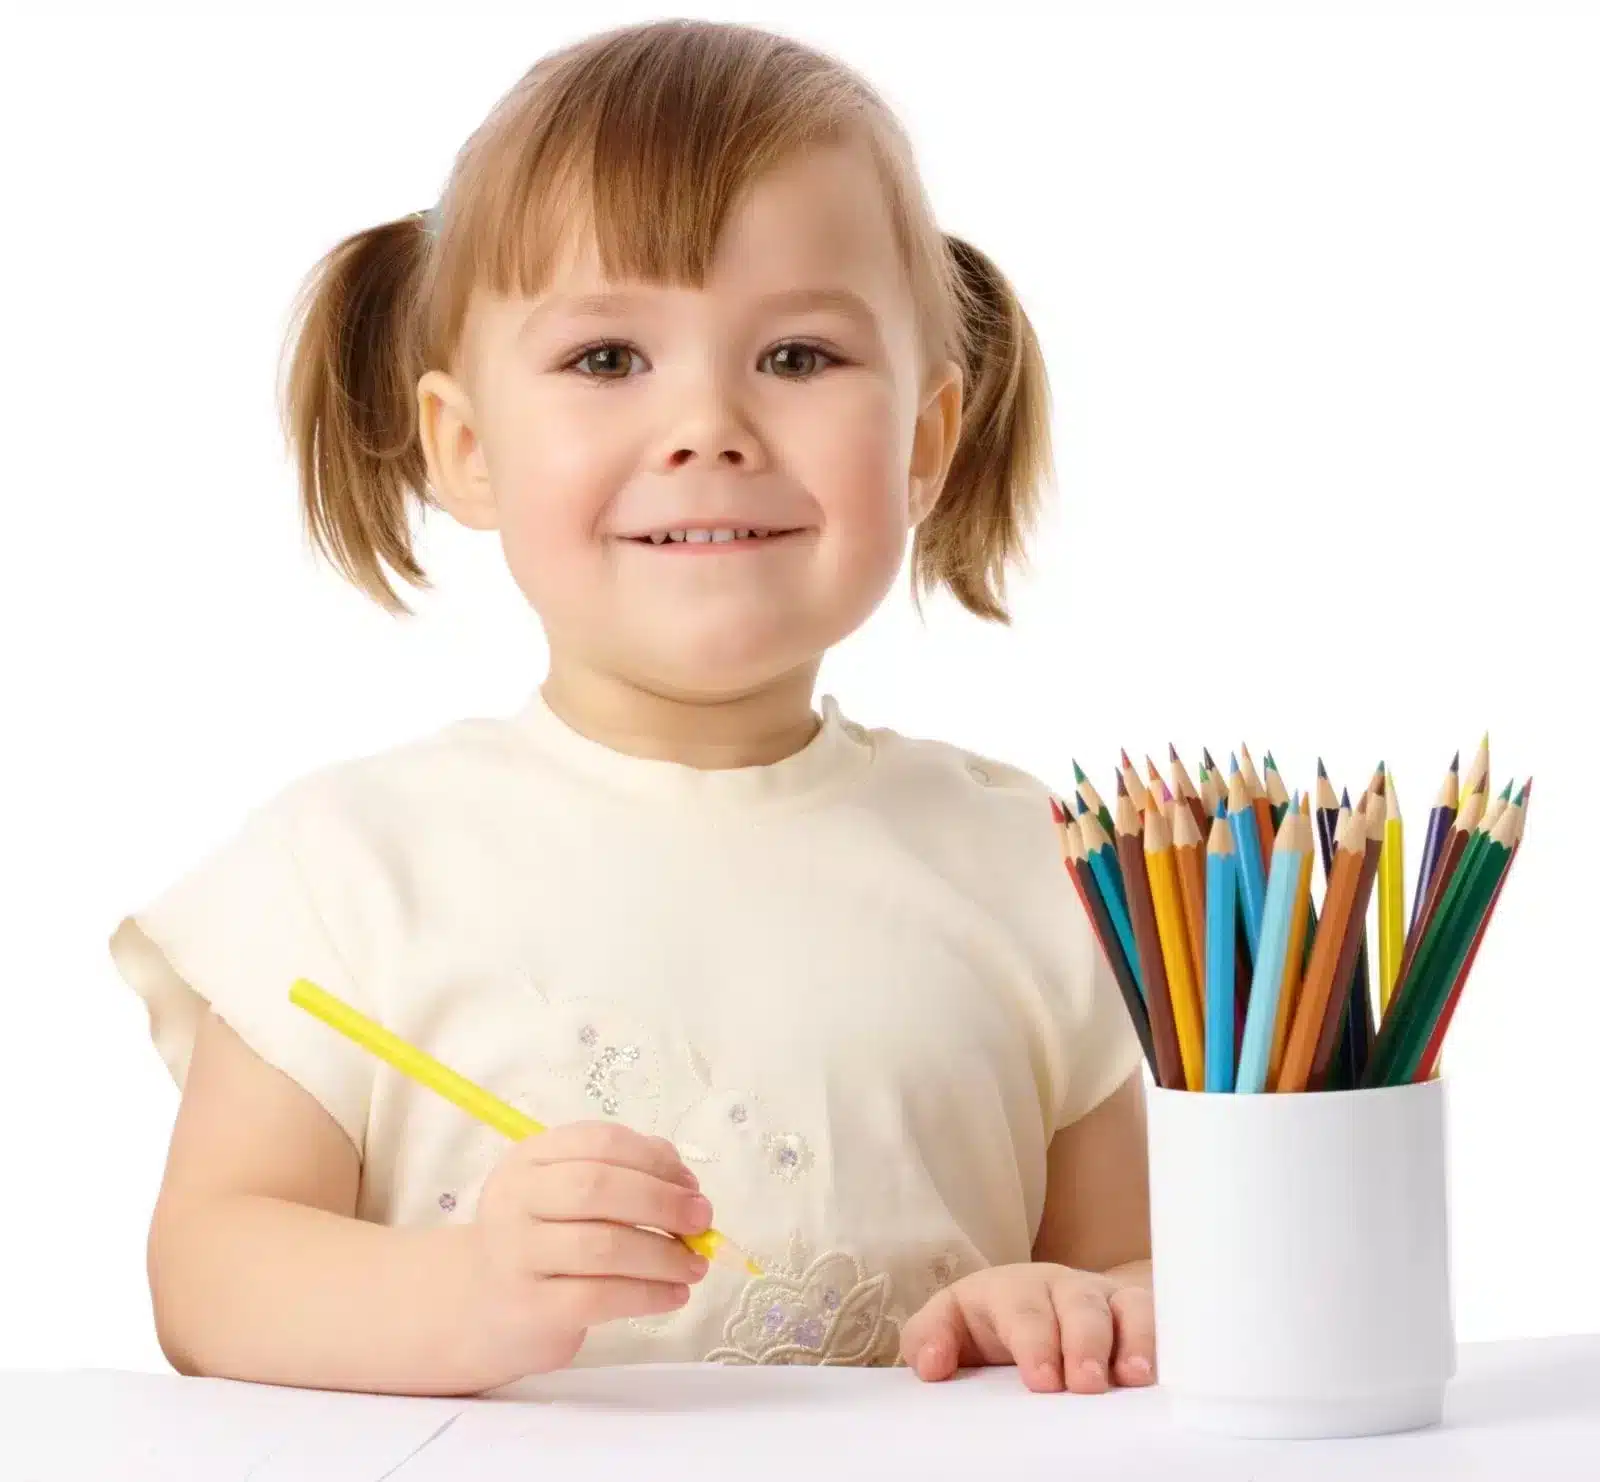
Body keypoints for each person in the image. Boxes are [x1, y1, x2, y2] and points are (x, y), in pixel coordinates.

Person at [110, 17, 1154, 1399]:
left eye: (797, 357)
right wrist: (464, 1292)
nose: (708, 423)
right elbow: (212, 1271)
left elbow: (1153, 1276)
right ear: (465, 448)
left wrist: (1082, 1304)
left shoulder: (1042, 867)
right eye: (608, 358)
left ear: (926, 442)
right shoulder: (348, 868)